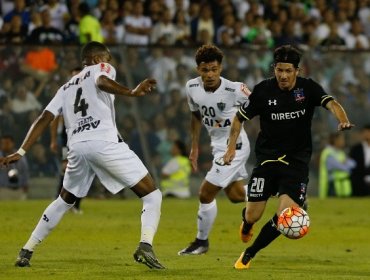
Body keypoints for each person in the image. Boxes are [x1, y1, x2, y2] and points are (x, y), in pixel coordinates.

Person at [0, 41, 164, 269]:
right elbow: (101, 81)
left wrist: (21, 150)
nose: (109, 63)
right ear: (98, 59)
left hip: (77, 148)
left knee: (64, 200)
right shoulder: (101, 69)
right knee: (152, 195)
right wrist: (131, 92)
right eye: (107, 59)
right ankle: (145, 245)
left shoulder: (65, 88)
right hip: (103, 142)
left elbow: (43, 118)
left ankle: (26, 250)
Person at [222, 45, 354, 269]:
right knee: (253, 215)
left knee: (286, 216)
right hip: (267, 159)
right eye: (279, 70)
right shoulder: (263, 91)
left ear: (297, 71)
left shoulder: (308, 88)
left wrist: (342, 119)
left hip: (296, 162)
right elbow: (238, 118)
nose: (283, 75)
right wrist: (230, 148)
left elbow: (331, 103)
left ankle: (249, 253)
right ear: (274, 69)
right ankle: (246, 223)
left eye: (288, 71)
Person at [178, 44, 252, 255]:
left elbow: (258, 108)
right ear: (197, 69)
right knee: (237, 195)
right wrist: (194, 147)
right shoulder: (191, 87)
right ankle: (285, 191)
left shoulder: (235, 89)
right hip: (216, 146)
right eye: (204, 70)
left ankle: (202, 242)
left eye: (214, 69)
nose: (209, 74)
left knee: (205, 193)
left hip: (235, 146)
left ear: (220, 68)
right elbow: (195, 115)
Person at [50, 67, 84, 214]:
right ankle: (61, 202)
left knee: (83, 173)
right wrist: (53, 140)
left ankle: (73, 205)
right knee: (66, 171)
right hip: (68, 141)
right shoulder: (65, 95)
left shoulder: (90, 94)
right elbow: (55, 118)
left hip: (85, 140)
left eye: (78, 75)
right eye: (73, 76)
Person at [319, 132, 356, 198]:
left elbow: (354, 164)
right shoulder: (328, 152)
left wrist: (345, 163)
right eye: (341, 139)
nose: (343, 141)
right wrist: (345, 164)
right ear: (335, 140)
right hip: (332, 185)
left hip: (341, 185)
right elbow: (342, 167)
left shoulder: (340, 152)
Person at [0, 134, 29, 200]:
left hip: (19, 189)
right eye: (3, 143)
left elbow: (25, 171)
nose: (5, 145)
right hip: (3, 189)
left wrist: (26, 184)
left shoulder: (20, 155)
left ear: (12, 143)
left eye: (7, 143)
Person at [349, 124, 370, 196]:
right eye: (365, 132)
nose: (366, 134)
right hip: (359, 181)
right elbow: (352, 164)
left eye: (368, 132)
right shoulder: (356, 149)